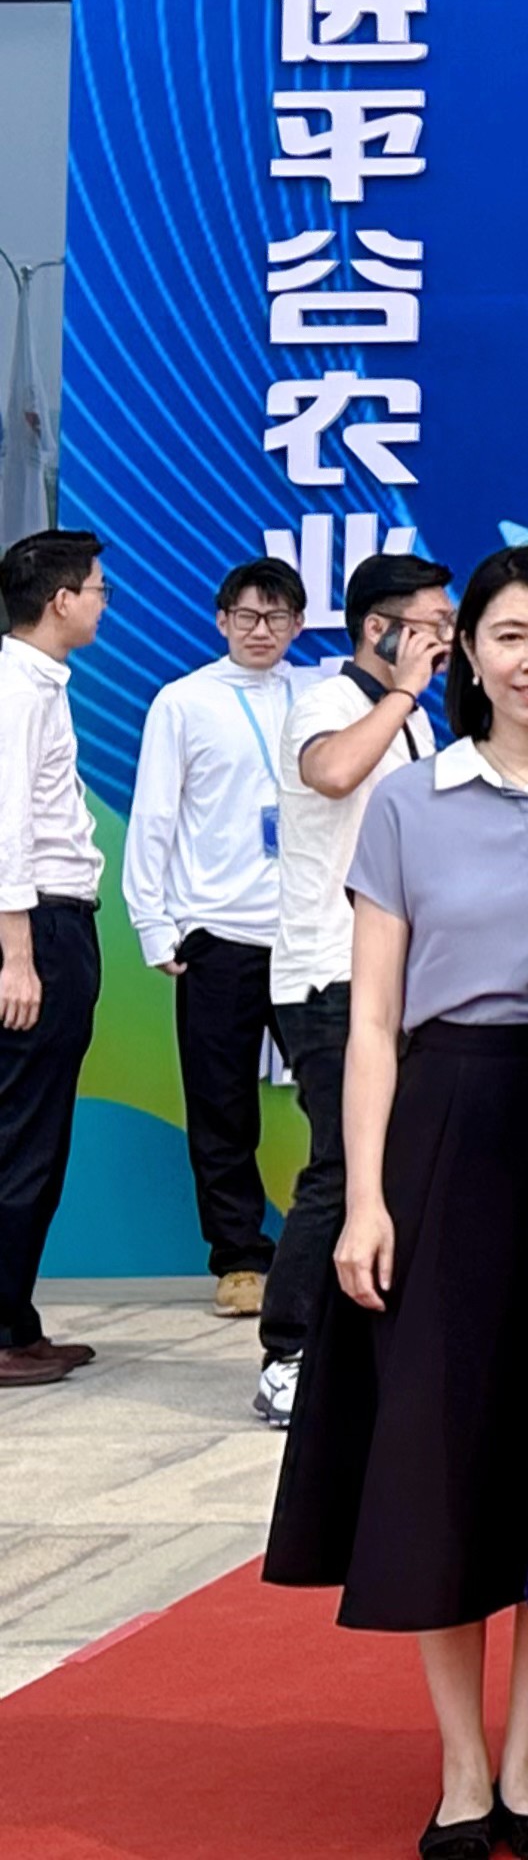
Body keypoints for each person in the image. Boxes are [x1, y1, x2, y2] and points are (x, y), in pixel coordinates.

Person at [265, 541, 528, 1859]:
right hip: (450, 1132)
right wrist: (364, 1197)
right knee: (440, 1447)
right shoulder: (410, 804)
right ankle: (463, 1767)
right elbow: (373, 1020)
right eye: (509, 634)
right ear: (462, 650)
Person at [263, 552, 456, 1428]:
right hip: (328, 975)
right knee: (342, 1164)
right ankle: (287, 1351)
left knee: (391, 1164)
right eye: (430, 625)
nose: (444, 639)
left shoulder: (414, 721)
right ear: (379, 628)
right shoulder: (327, 701)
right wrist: (404, 693)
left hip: (399, 979)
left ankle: (358, 1351)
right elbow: (333, 773)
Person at [124, 553, 312, 1320]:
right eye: (246, 615)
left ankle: (335, 1245)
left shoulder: (318, 697)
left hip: (307, 931)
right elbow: (154, 816)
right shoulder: (184, 702)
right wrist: (153, 923)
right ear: (221, 620)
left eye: (276, 616)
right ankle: (238, 1260)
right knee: (220, 1104)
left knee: (340, 1094)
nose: (260, 630)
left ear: (299, 624)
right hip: (217, 932)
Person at [0, 528, 110, 1392]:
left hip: (56, 922)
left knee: (39, 1134)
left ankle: (15, 1319)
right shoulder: (15, 686)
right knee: (20, 1136)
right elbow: (4, 825)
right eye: (98, 589)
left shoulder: (40, 681)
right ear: (61, 599)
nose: (104, 604)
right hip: (33, 926)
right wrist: (17, 955)